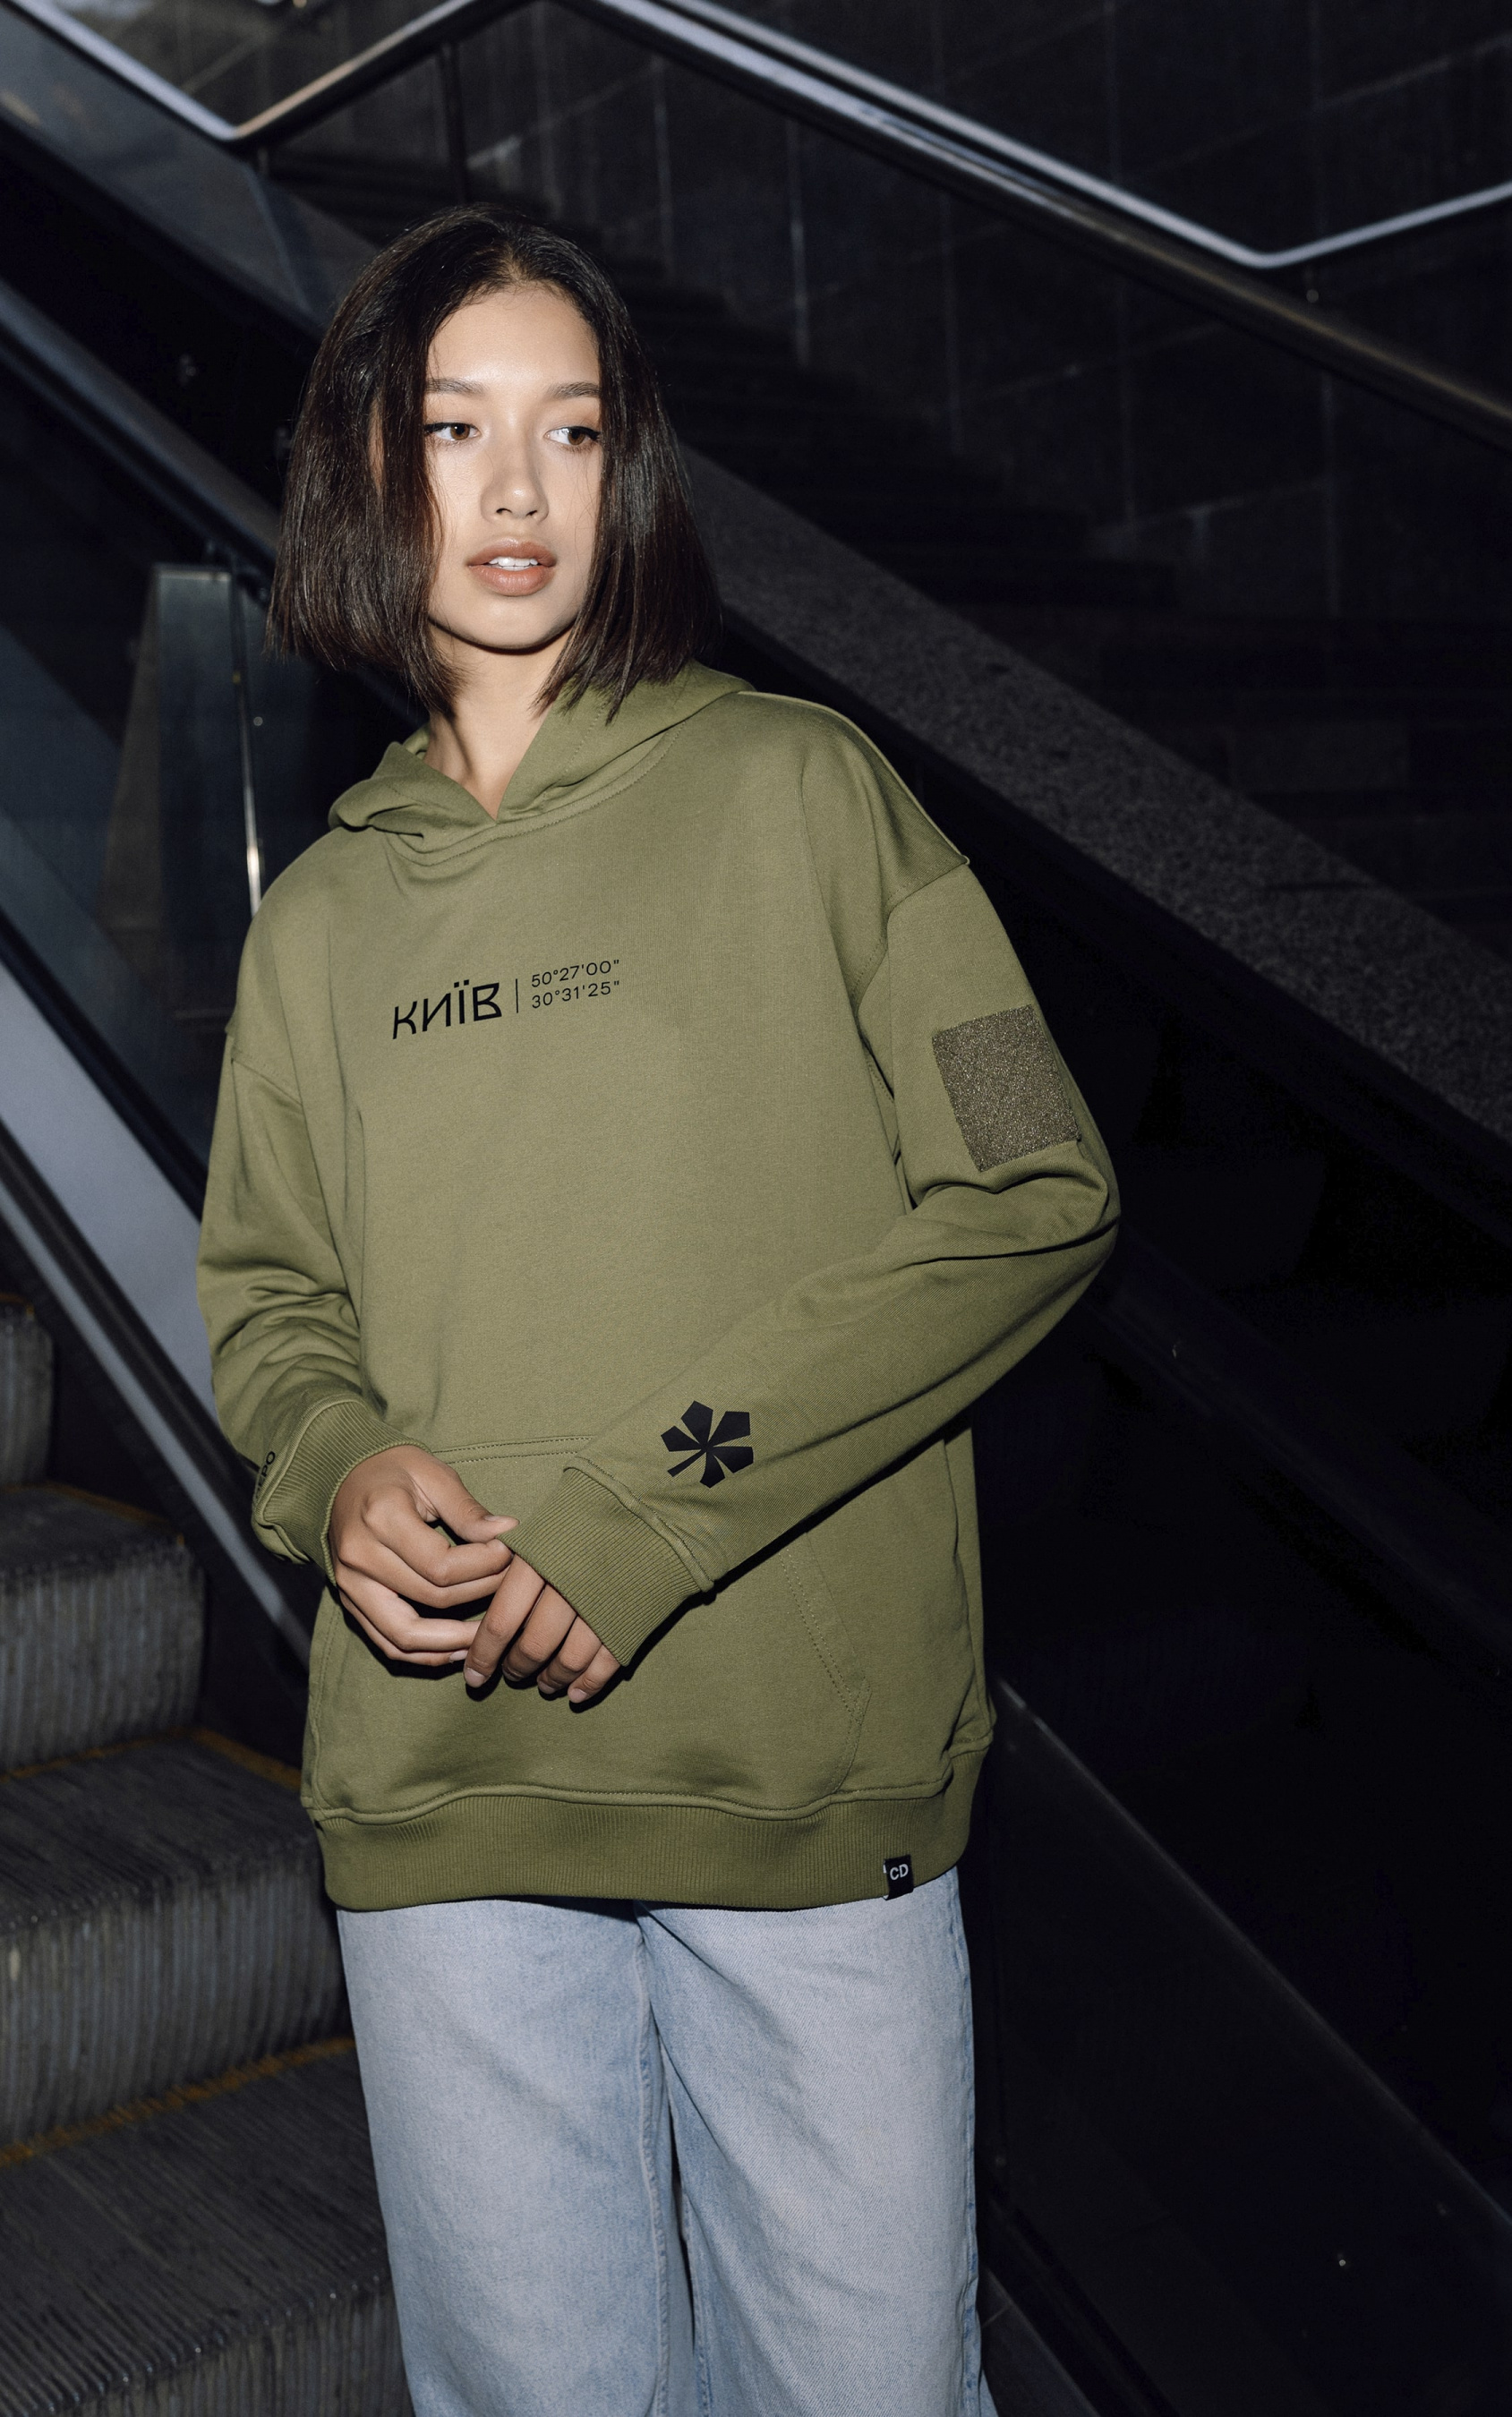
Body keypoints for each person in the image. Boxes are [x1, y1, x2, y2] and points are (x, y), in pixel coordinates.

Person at [198, 202, 1116, 2417]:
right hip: (447, 1795)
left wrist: (646, 1510)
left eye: (573, 428)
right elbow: (270, 1302)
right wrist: (339, 1470)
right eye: (453, 429)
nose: (516, 490)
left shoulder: (810, 794)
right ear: (366, 465)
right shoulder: (317, 921)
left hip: (798, 1776)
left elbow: (1036, 1185)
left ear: (630, 470)